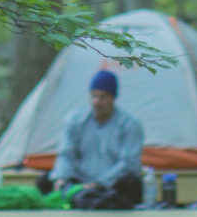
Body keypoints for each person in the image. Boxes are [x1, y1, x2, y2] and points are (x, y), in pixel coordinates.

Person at [36, 69, 145, 209]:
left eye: (103, 97)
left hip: (112, 184)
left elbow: (129, 163)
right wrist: (61, 178)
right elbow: (66, 154)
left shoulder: (130, 125)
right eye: (94, 96)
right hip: (80, 182)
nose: (97, 102)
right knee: (45, 181)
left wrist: (99, 183)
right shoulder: (75, 121)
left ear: (113, 98)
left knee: (131, 182)